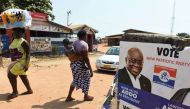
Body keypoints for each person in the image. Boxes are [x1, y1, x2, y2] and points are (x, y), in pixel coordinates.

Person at [0, 28, 33, 99]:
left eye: (17, 33)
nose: (15, 34)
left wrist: (26, 65)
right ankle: (29, 90)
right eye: (14, 33)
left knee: (11, 75)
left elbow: (28, 54)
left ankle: (15, 92)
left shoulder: (24, 42)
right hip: (16, 62)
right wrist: (1, 54)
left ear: (22, 34)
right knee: (22, 76)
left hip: (22, 62)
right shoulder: (14, 40)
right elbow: (10, 50)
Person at [65, 30, 94, 102]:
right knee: (87, 78)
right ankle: (86, 96)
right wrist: (90, 69)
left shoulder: (75, 42)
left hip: (73, 64)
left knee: (76, 80)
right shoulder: (84, 44)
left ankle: (69, 96)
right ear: (84, 36)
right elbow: (86, 58)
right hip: (80, 64)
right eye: (86, 35)